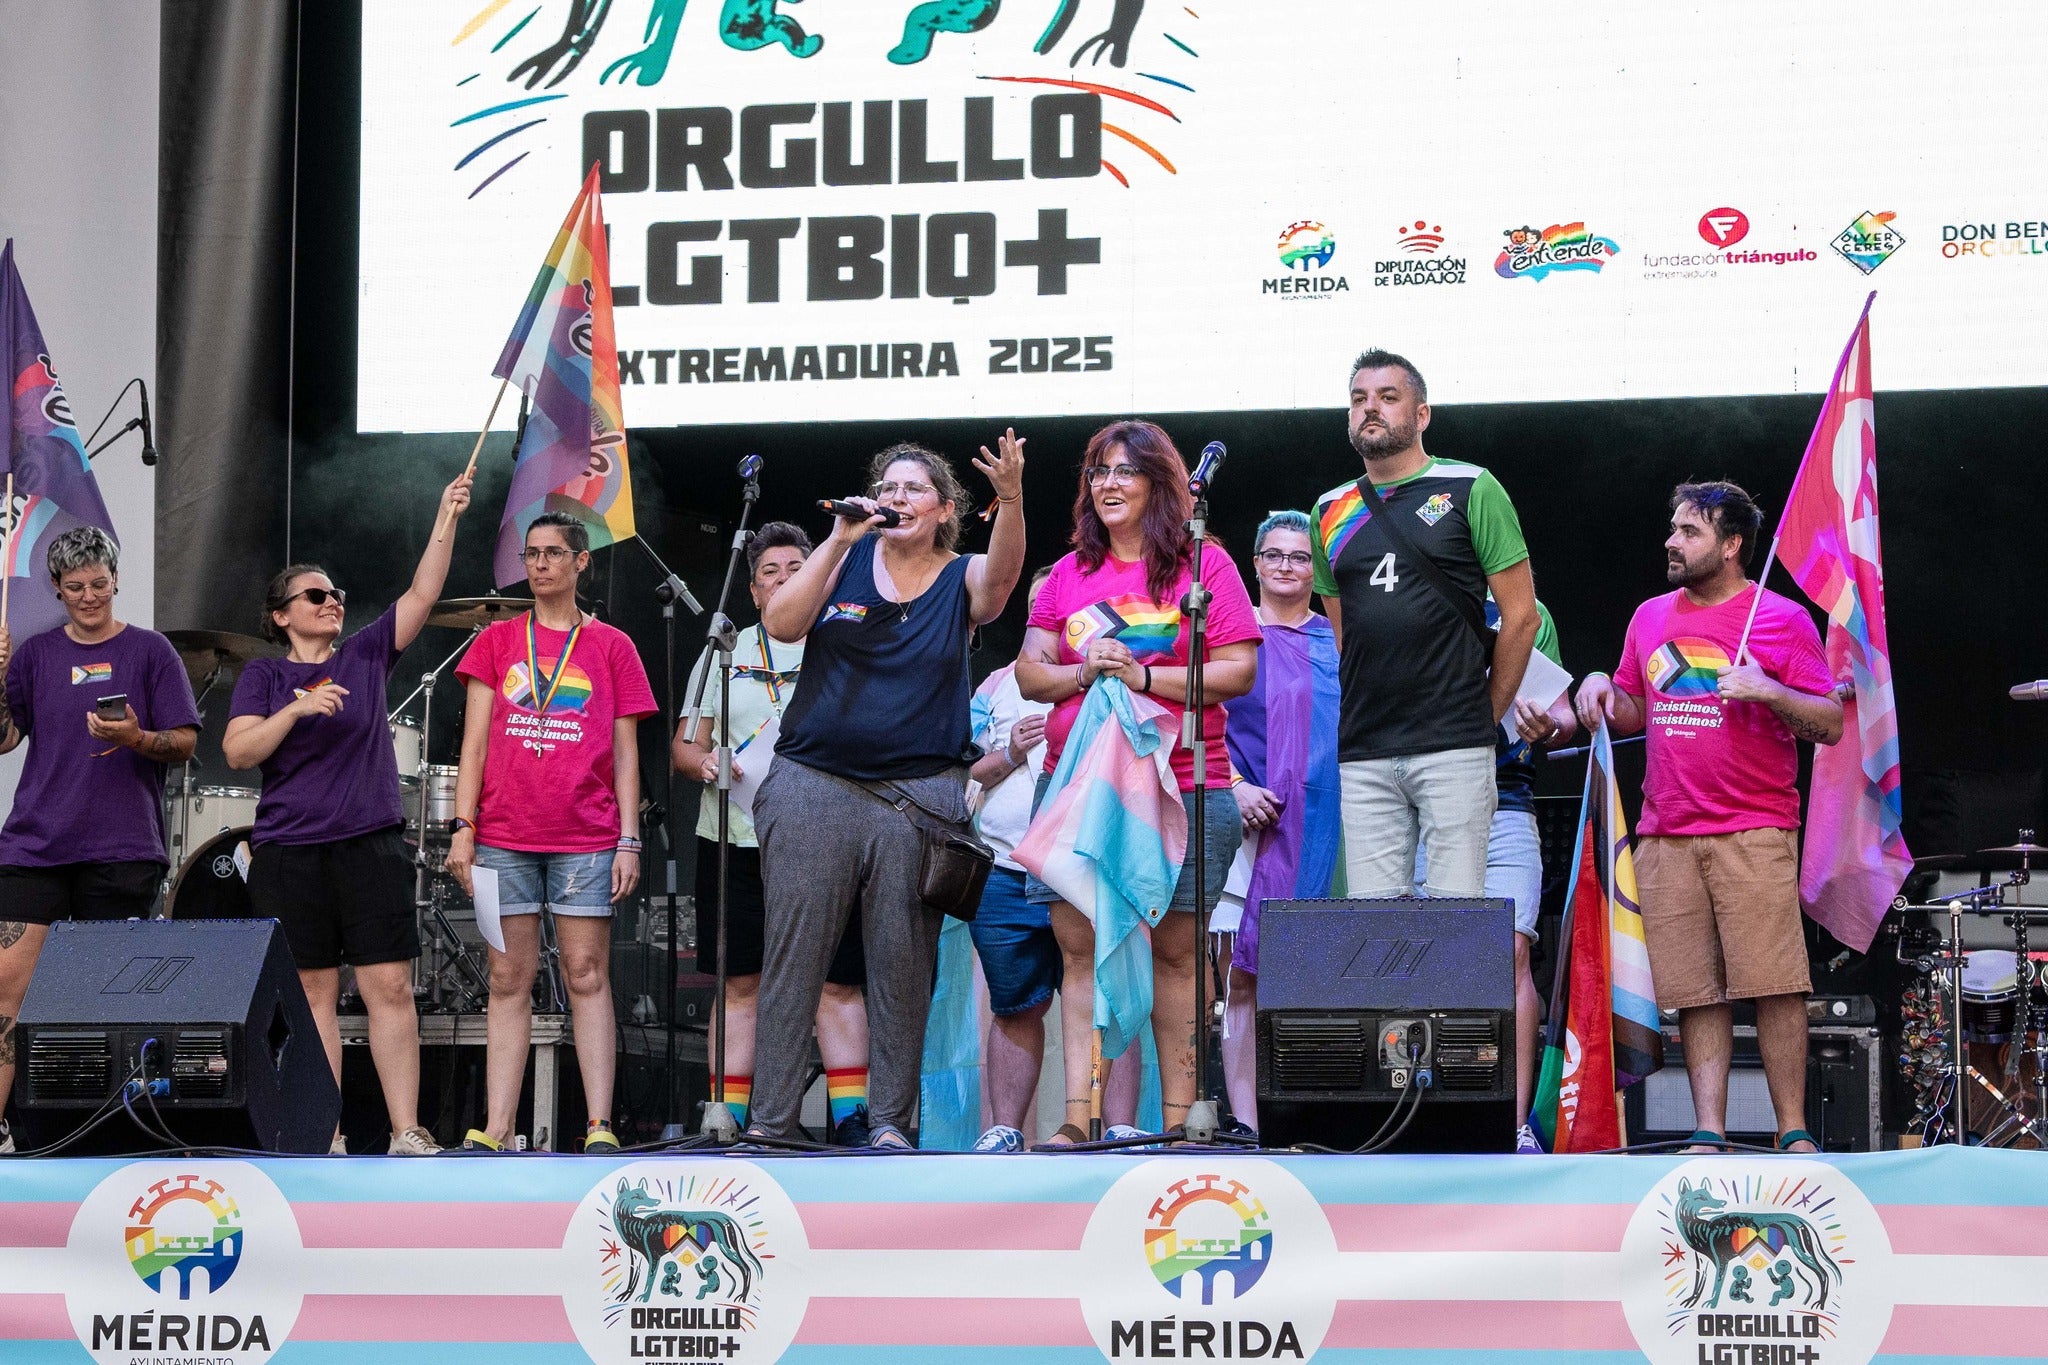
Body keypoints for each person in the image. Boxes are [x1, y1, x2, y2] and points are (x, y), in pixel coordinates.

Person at [748, 432, 1026, 1147]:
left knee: (903, 970)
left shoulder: (961, 574)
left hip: (917, 799)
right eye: (890, 487)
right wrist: (838, 538)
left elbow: (1000, 585)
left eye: (914, 490)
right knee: (793, 959)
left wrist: (1016, 495)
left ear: (942, 511)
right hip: (815, 784)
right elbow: (780, 623)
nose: (898, 498)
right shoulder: (842, 556)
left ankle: (892, 1126)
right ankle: (772, 1125)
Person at [1575, 481, 1842, 1154]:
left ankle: (1793, 1131)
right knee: (1696, 991)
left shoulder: (1780, 618)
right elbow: (1635, 706)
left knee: (1775, 984)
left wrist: (1770, 688)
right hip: (1666, 832)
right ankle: (1708, 1129)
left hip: (1755, 828)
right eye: (1673, 529)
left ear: (1731, 545)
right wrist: (1600, 687)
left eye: (1689, 532)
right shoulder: (1649, 616)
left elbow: (1831, 723)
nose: (1672, 541)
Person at [1018, 419, 1261, 1141]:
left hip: (1186, 786)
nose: (1109, 484)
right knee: (1080, 950)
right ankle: (1075, 1121)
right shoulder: (1066, 574)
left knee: (1179, 954)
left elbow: (1241, 669)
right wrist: (1082, 668)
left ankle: (1185, 1119)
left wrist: (1146, 674)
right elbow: (1032, 671)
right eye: (1098, 472)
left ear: (1162, 482)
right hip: (1077, 791)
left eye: (1125, 470)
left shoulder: (1202, 565)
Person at [225, 473, 474, 1155]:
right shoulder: (266, 677)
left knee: (390, 985)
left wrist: (445, 513)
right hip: (291, 851)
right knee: (312, 997)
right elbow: (239, 750)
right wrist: (298, 706)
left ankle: (405, 1131)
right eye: (315, 594)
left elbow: (422, 593)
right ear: (281, 615)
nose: (332, 600)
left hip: (369, 845)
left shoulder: (364, 654)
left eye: (336, 593)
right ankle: (324, 1133)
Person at [445, 511, 655, 1153]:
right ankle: (498, 1128)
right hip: (503, 834)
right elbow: (473, 742)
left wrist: (628, 838)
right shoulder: (498, 640)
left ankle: (599, 1126)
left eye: (552, 554)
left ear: (580, 562)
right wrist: (462, 824)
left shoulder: (613, 645)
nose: (538, 565)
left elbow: (626, 753)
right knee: (509, 977)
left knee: (588, 974)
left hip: (587, 836)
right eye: (530, 554)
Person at [672, 521, 873, 1145]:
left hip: (827, 842)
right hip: (734, 837)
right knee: (740, 981)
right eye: (770, 574)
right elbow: (685, 747)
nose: (784, 581)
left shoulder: (848, 645)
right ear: (754, 591)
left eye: (796, 569)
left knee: (836, 981)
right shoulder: (720, 652)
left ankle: (851, 1117)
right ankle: (724, 1115)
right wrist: (704, 763)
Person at [0, 527, 200, 1154]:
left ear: (116, 580)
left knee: (100, 997)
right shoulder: (32, 654)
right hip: (34, 845)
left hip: (121, 850)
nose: (89, 595)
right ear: (57, 590)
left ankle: (106, 1134)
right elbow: (5, 739)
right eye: (75, 586)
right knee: (8, 989)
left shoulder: (151, 651)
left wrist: (137, 740)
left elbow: (187, 741)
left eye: (98, 583)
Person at [1311, 349, 1538, 899]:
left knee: (1455, 926)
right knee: (1375, 931)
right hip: (1364, 747)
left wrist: (1487, 714)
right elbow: (1348, 636)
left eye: (1388, 398)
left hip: (1455, 745)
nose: (1372, 409)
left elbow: (1522, 616)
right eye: (1359, 399)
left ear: (1421, 415)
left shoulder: (1472, 486)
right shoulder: (1328, 509)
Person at [1415, 593, 1578, 1150]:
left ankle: (1513, 1125)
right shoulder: (1412, 594)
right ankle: (1425, 1114)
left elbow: (1565, 716)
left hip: (1508, 799)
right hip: (1421, 804)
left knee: (1511, 951)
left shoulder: (1529, 608)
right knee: (1424, 957)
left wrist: (1546, 726)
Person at [1217, 511, 1342, 1139]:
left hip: (1336, 833)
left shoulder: (1341, 641)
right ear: (1256, 563)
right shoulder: (1231, 642)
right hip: (1250, 833)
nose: (1288, 566)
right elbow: (1198, 728)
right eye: (1276, 555)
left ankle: (1313, 1118)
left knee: (1327, 982)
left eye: (1301, 556)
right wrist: (1235, 788)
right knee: (1246, 976)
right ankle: (1244, 1122)